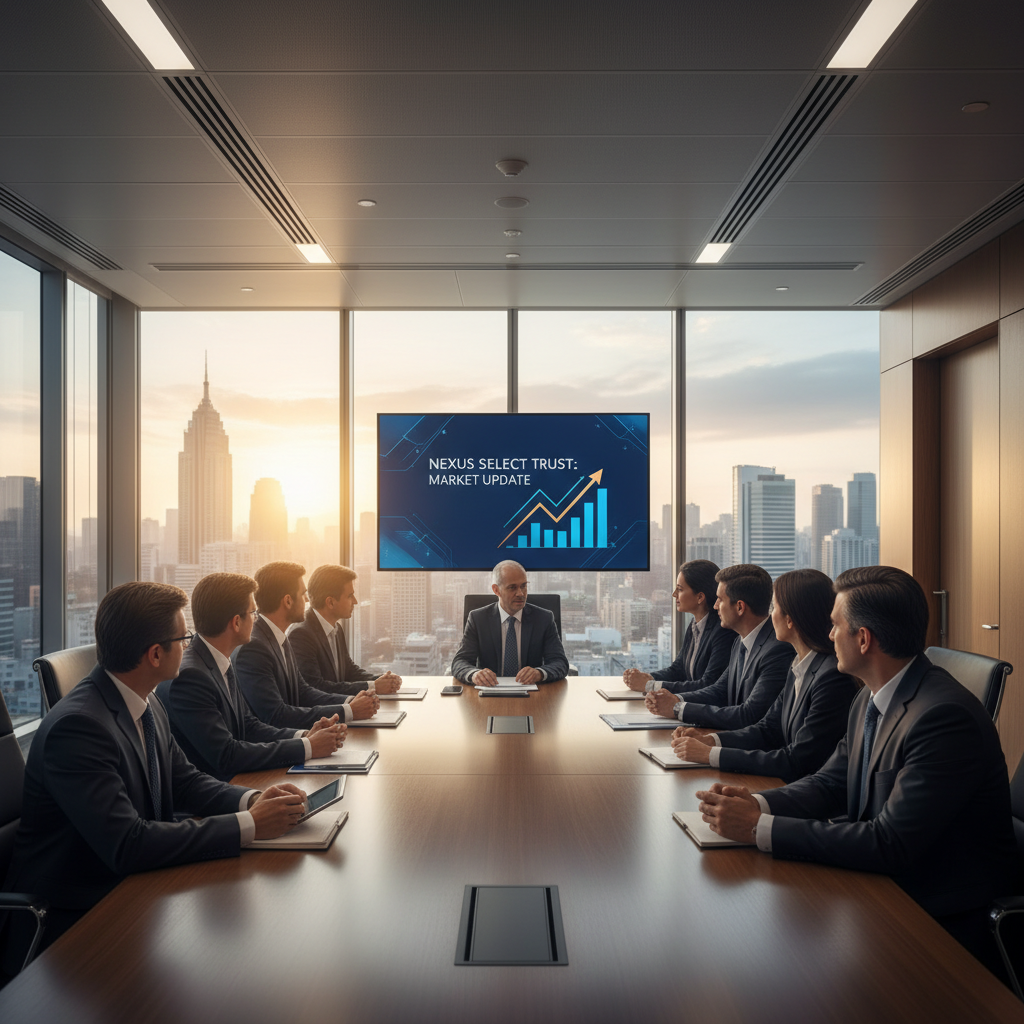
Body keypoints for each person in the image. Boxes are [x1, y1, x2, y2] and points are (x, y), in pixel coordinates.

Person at [695, 565, 1017, 970]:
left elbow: (890, 843)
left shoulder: (944, 718)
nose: (828, 636)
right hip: (881, 888)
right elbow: (830, 783)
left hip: (937, 918)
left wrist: (758, 828)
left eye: (835, 625)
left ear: (863, 639)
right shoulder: (869, 698)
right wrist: (758, 804)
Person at [2, 582, 307, 963]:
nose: (190, 645)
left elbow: (185, 779)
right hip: (72, 921)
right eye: (185, 637)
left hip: (136, 890)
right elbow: (127, 844)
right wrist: (249, 825)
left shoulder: (145, 701)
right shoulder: (79, 728)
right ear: (156, 653)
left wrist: (253, 800)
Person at [669, 569, 858, 783]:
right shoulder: (799, 664)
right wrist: (710, 740)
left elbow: (797, 760)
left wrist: (710, 753)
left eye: (774, 607)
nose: (770, 615)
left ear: (790, 620)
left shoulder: (830, 678)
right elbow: (768, 729)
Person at [157, 572, 346, 781]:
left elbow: (249, 726)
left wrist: (304, 736)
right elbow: (227, 755)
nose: (256, 619)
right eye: (253, 612)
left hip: (240, 780)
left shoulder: (218, 661)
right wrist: (307, 747)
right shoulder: (191, 678)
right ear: (236, 622)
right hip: (216, 795)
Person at [645, 563, 793, 729]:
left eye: (720, 600)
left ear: (739, 607)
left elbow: (750, 714)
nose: (715, 606)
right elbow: (719, 690)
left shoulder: (777, 650)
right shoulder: (740, 641)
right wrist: (676, 700)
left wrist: (677, 708)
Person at [233, 562, 380, 729]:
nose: (307, 599)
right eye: (303, 593)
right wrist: (348, 710)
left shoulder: (278, 636)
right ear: (288, 601)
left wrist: (351, 702)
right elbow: (275, 715)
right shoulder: (254, 648)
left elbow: (303, 692)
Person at [622, 559, 733, 694]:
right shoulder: (695, 625)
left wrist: (650, 686)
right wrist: (647, 678)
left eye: (680, 589)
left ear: (700, 597)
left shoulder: (722, 632)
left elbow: (708, 684)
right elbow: (678, 669)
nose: (674, 594)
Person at [450, 559, 569, 685]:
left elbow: (560, 662)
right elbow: (460, 662)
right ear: (496, 590)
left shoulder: (544, 619)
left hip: (532, 694)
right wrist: (474, 674)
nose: (521, 593)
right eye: (512, 587)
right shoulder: (478, 619)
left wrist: (539, 673)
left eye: (523, 586)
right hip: (490, 692)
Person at [289, 564, 402, 695]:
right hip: (326, 714)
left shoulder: (336, 628)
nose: (355, 601)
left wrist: (382, 680)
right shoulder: (301, 635)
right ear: (330, 602)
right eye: (350, 596)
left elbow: (348, 670)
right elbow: (315, 687)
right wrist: (372, 686)